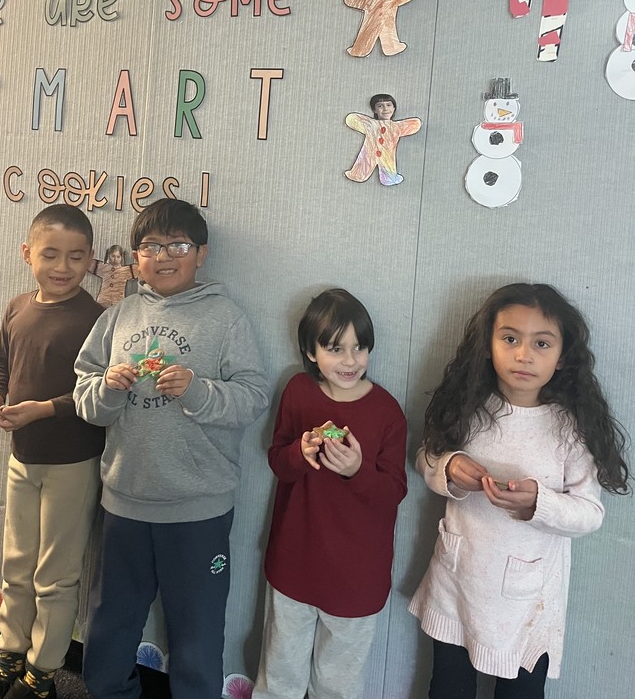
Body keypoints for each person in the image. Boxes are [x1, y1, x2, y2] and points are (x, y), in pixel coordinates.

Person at [74, 198, 268, 699]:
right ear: (135, 258)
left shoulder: (226, 318)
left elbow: (253, 398)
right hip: (124, 502)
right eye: (150, 247)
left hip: (200, 509)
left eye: (178, 245)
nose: (163, 256)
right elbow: (85, 396)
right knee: (111, 621)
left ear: (200, 253)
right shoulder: (118, 315)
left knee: (198, 632)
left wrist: (198, 390)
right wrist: (109, 389)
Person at [409, 283, 630, 699]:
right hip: (457, 583)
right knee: (449, 687)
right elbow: (426, 457)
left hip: (529, 603)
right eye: (510, 338)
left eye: (541, 343)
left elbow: (589, 513)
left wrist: (539, 503)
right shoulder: (469, 408)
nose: (523, 354)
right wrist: (451, 468)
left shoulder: (570, 429)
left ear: (562, 357)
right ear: (487, 344)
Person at [0, 205, 106, 699]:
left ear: (90, 259)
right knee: (16, 562)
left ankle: (42, 671)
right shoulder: (16, 307)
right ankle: (9, 654)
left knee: (56, 573)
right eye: (50, 254)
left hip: (73, 463)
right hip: (21, 457)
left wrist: (43, 410)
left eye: (75, 256)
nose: (62, 266)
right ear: (27, 253)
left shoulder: (96, 319)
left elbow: (98, 397)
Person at [252, 288, 407, 699]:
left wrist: (357, 470)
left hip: (358, 576)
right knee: (279, 675)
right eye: (336, 348)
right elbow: (278, 462)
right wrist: (301, 453)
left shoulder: (387, 411)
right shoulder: (299, 392)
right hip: (294, 561)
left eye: (360, 347)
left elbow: (394, 491)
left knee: (338, 684)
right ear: (310, 350)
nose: (350, 360)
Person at [343, 0, 418, 57]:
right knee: (366, 37)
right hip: (370, 24)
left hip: (388, 25)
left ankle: (391, 48)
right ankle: (359, 50)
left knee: (389, 37)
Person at [88, 243, 137, 308]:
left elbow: (141, 269)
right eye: (113, 256)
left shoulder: (126, 270)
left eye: (118, 257)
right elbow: (87, 263)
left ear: (122, 258)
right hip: (103, 301)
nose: (115, 259)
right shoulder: (103, 267)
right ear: (108, 256)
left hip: (117, 302)